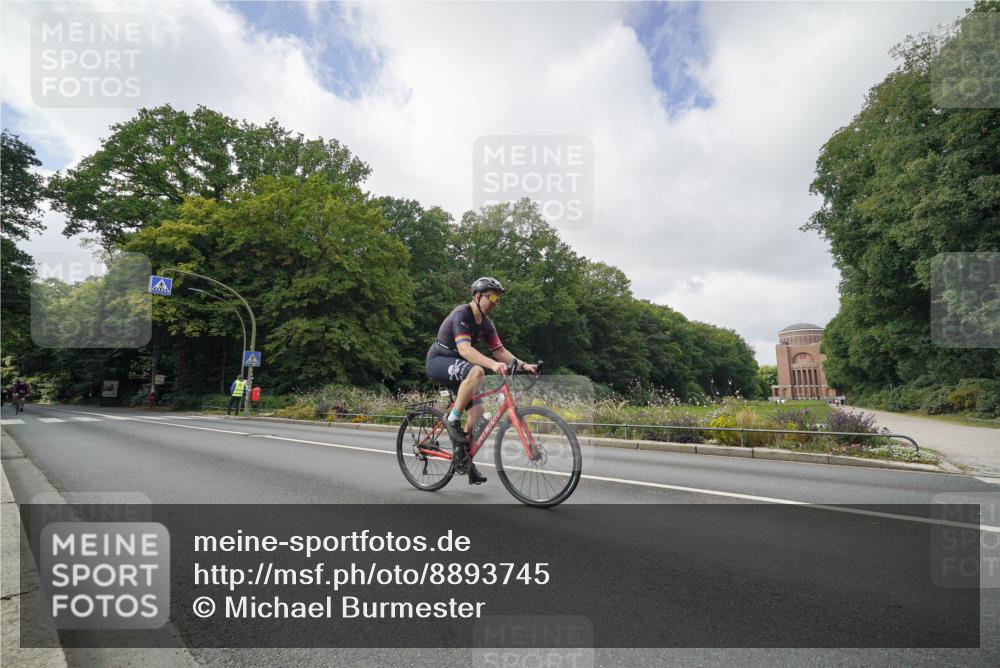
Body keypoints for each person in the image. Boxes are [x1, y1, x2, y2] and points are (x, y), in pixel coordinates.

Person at [426, 277, 538, 485]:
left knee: (477, 413)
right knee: (478, 371)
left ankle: (465, 460)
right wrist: (493, 365)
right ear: (477, 296)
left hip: (461, 369)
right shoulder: (462, 314)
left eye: (498, 298)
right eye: (492, 296)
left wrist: (524, 365)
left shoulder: (487, 324)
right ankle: (452, 419)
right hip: (439, 361)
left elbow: (500, 351)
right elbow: (465, 350)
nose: (495, 302)